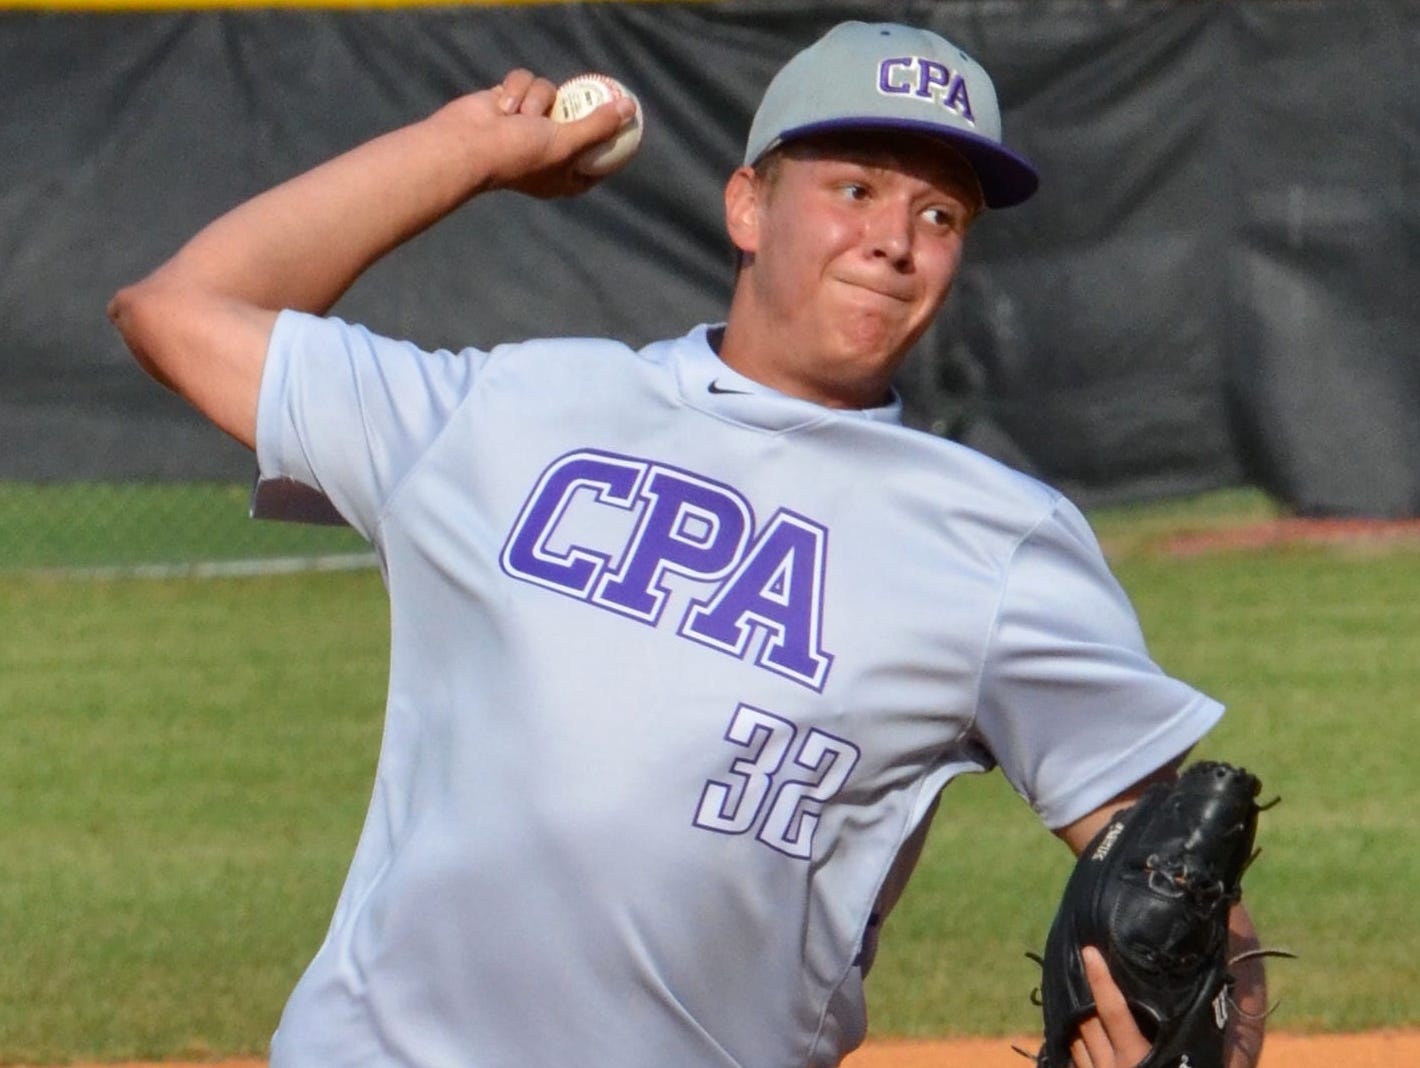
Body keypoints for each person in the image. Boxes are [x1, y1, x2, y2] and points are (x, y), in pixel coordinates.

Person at [109, 20, 1268, 1068]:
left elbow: (1174, 887)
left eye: (938, 214)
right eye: (855, 188)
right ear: (746, 210)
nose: (894, 242)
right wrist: (464, 151)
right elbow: (177, 309)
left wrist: (1215, 1036)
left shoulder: (998, 540)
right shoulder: (510, 410)